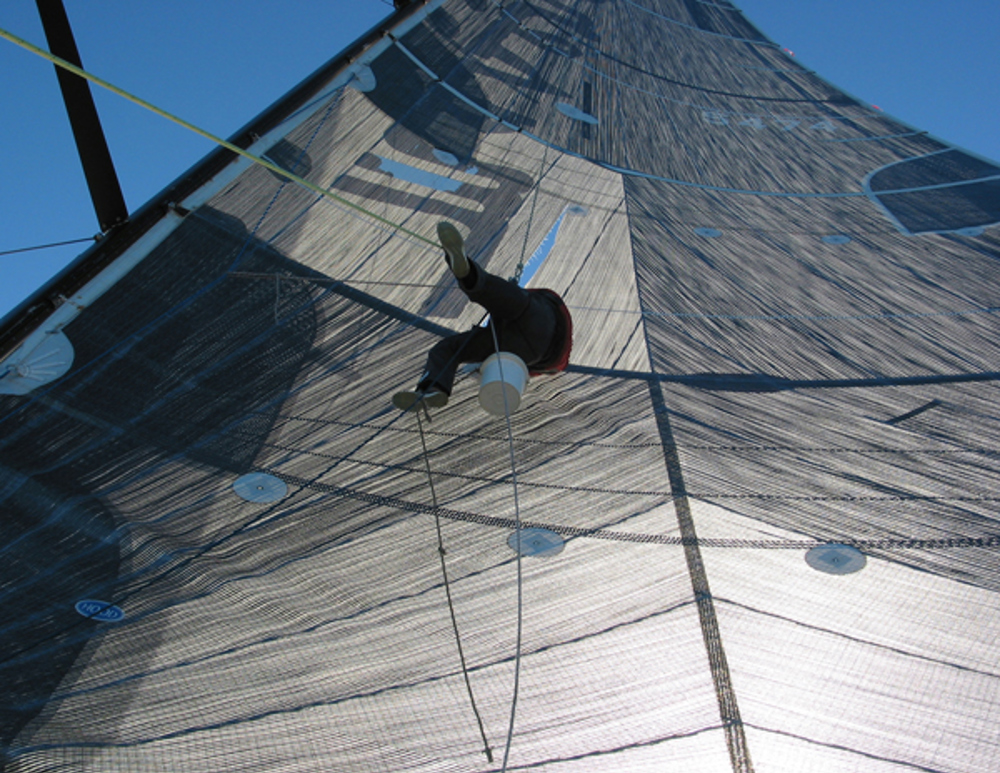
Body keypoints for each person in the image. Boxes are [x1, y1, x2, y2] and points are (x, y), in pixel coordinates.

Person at [393, 222, 572, 411]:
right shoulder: (553, 364)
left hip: (527, 331)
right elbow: (548, 367)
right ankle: (431, 390)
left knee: (505, 299)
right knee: (454, 343)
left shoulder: (553, 354)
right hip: (531, 345)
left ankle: (470, 274)